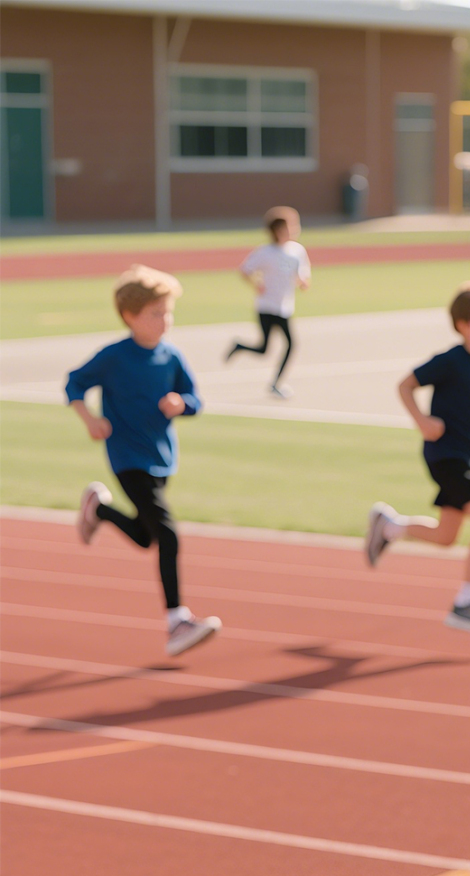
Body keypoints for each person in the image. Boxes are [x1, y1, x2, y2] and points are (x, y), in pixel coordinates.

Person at [70, 267, 221, 657]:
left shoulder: (172, 356)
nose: (164, 320)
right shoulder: (114, 357)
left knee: (145, 536)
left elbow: (195, 400)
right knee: (168, 535)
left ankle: (99, 509)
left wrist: (181, 404)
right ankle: (177, 621)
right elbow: (74, 383)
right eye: (156, 313)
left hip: (161, 458)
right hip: (126, 457)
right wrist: (90, 419)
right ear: (130, 316)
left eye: (167, 312)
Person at [364, 282, 470, 634]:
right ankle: (465, 603)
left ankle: (389, 525)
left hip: (469, 458)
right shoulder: (451, 361)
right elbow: (405, 385)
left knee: (446, 536)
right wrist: (422, 421)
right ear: (463, 325)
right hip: (447, 457)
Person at [226, 206, 310, 399]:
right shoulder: (265, 252)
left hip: (284, 307)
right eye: (291, 226)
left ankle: (275, 383)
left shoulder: (297, 251)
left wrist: (303, 282)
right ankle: (240, 347)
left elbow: (302, 274)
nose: (296, 229)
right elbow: (245, 270)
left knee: (290, 344)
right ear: (279, 230)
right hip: (266, 306)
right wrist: (256, 284)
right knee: (264, 349)